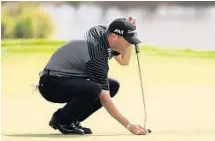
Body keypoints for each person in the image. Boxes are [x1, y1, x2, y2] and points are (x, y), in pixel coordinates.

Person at [38, 16, 147, 135]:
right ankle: (62, 120)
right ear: (115, 37)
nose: (129, 45)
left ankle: (71, 120)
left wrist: (129, 31)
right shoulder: (96, 54)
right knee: (95, 89)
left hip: (65, 80)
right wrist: (129, 125)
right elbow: (105, 99)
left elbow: (124, 61)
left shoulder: (107, 36)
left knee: (112, 86)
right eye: (128, 42)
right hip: (51, 84)